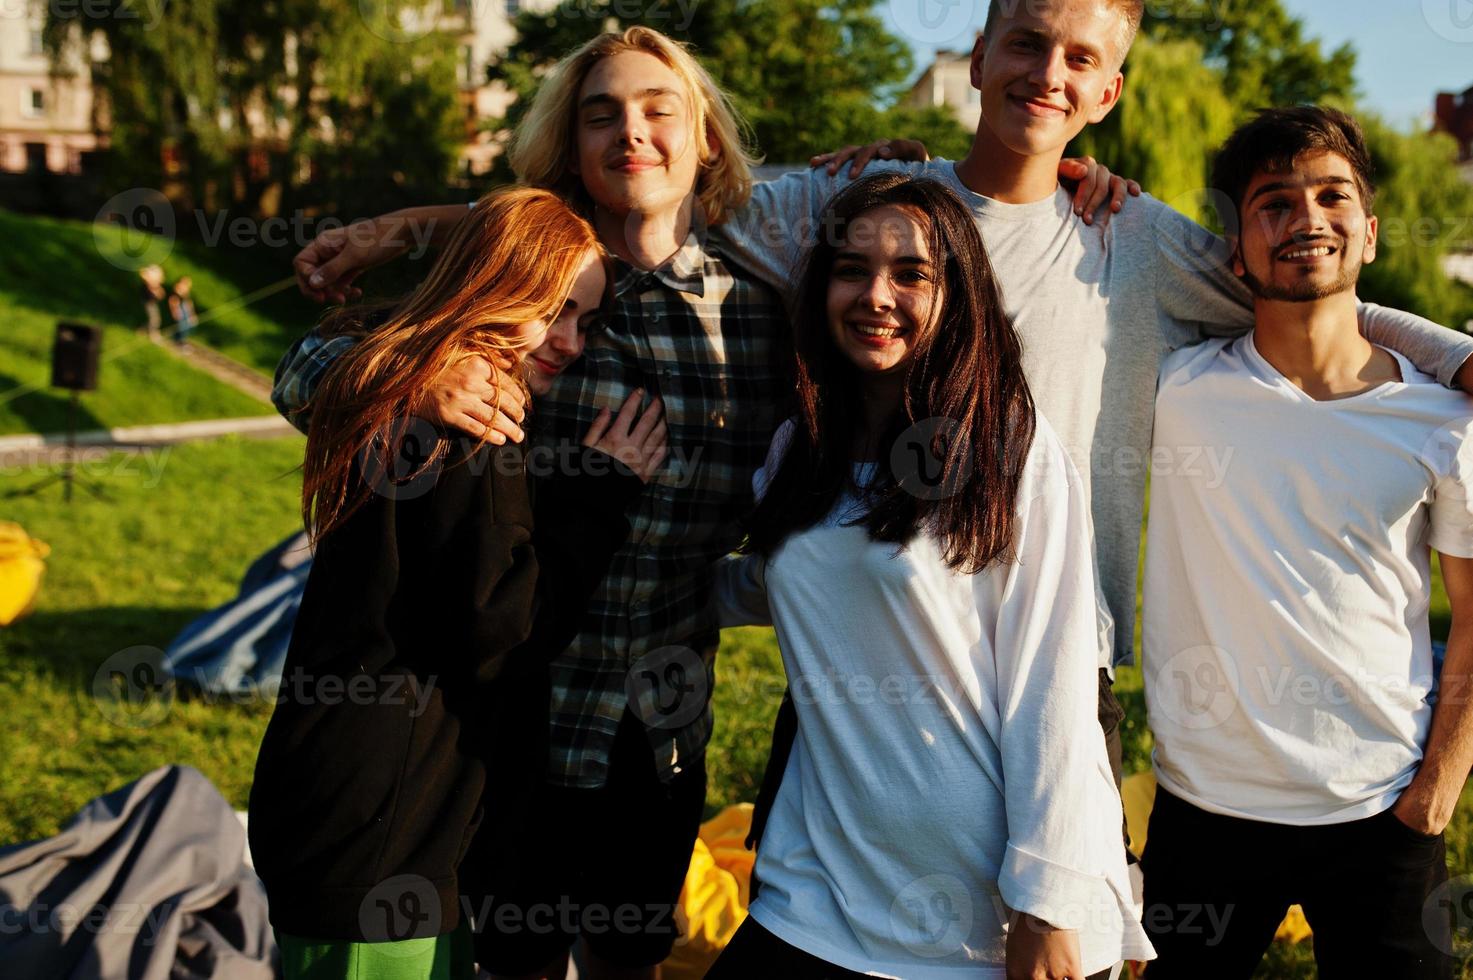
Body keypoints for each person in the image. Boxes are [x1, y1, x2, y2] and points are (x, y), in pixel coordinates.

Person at [281, 3, 1473, 836]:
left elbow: (1310, 292)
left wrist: (1454, 355)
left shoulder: (1134, 236)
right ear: (976, 54)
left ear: (1109, 90)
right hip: (821, 651)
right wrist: (404, 240)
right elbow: (572, 222)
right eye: (1024, 42)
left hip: (1051, 664)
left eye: (1077, 59)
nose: (1046, 75)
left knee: (1044, 917)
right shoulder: (835, 214)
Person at [269, 26, 1127, 980]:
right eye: (600, 116)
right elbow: (303, 370)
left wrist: (1058, 177)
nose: (629, 133)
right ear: (572, 146)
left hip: (658, 723)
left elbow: (919, 246)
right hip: (505, 723)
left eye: (655, 110)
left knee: (628, 958)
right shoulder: (532, 289)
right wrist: (410, 378)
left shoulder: (760, 310)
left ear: (704, 139)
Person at [708, 172, 1152, 978]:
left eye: (911, 274)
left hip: (980, 910)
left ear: (959, 295)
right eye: (852, 269)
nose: (876, 295)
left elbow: (1051, 683)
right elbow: (786, 588)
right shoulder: (796, 451)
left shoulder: (1009, 451)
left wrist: (1047, 902)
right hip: (815, 887)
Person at [248, 186, 668, 980]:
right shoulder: (466, 416)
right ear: (498, 287)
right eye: (556, 309)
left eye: (586, 319)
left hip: (377, 825)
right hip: (375, 842)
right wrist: (601, 496)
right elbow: (501, 631)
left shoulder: (421, 388)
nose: (570, 340)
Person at [1139, 106, 1473, 980]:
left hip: (1380, 811)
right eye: (1273, 203)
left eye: (1331, 197)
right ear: (1236, 249)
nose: (1306, 219)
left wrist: (1433, 797)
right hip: (1202, 805)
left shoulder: (1443, 419)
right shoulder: (1176, 388)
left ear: (1368, 233)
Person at [139, 264, 166, 340]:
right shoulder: (148, 283)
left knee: (155, 319)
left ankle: (143, 331)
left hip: (152, 302)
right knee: (154, 319)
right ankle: (152, 334)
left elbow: (161, 294)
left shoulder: (156, 285)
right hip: (148, 302)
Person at [168, 275, 196, 345]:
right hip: (179, 313)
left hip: (185, 313)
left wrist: (192, 315)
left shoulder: (186, 296)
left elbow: (189, 305)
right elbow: (173, 302)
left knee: (187, 326)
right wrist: (174, 311)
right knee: (181, 326)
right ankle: (177, 340)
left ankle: (182, 340)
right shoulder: (176, 294)